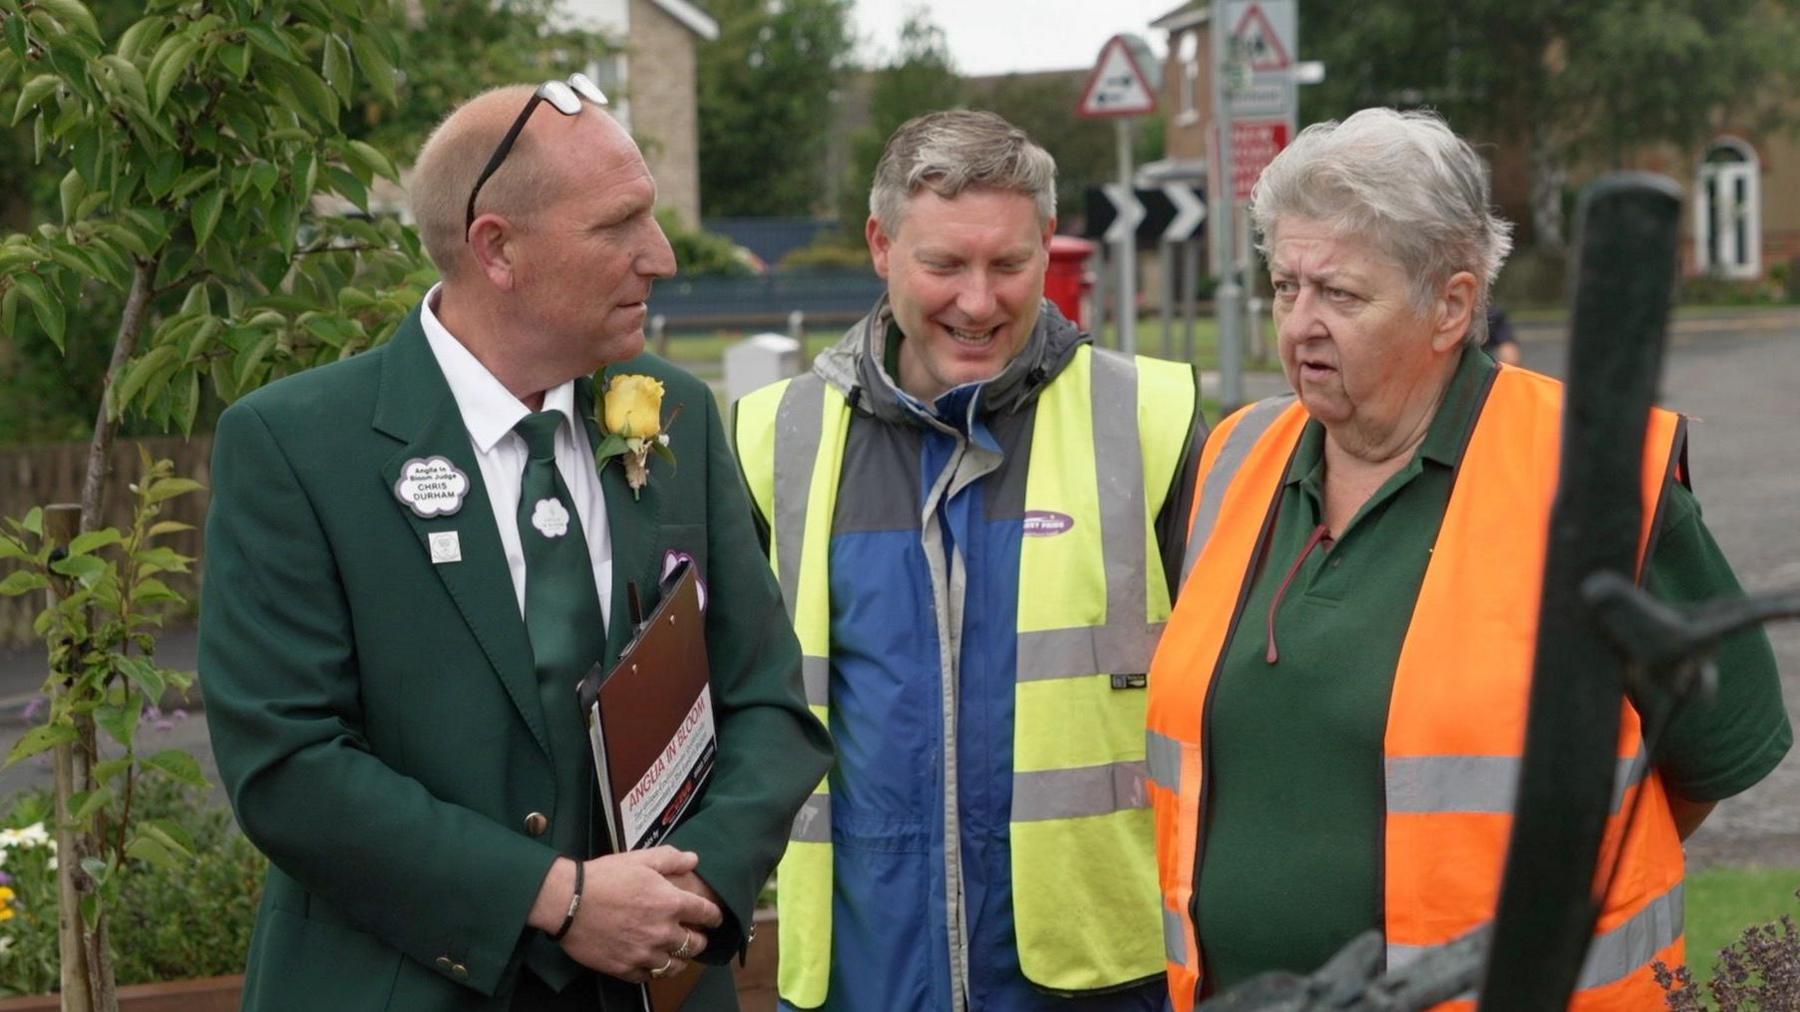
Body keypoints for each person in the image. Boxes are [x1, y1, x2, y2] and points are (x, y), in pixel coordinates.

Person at [200, 76, 831, 1011]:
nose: (658, 257)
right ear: (497, 249)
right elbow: (288, 766)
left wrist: (689, 895)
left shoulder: (679, 418)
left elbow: (766, 703)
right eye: (619, 226)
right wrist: (559, 901)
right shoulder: (299, 447)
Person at [1143, 108, 1790, 1010]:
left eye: (1341, 295)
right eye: (1285, 287)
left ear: (1451, 305)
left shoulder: (1597, 473)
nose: (1300, 325)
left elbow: (1718, 753)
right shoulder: (1237, 456)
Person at [733, 110, 1207, 1011]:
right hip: (858, 981)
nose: (980, 302)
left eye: (1010, 265)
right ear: (880, 246)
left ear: (1046, 249)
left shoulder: (1153, 424)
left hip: (1104, 980)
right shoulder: (774, 440)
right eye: (945, 265)